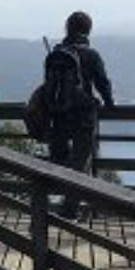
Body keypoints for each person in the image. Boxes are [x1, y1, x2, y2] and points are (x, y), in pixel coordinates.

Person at [44, 11, 114, 217]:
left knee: (60, 159)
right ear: (88, 30)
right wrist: (109, 103)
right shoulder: (91, 55)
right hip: (84, 114)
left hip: (58, 114)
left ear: (67, 28)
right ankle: (70, 210)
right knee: (81, 161)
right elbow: (102, 82)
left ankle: (46, 205)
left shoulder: (57, 53)